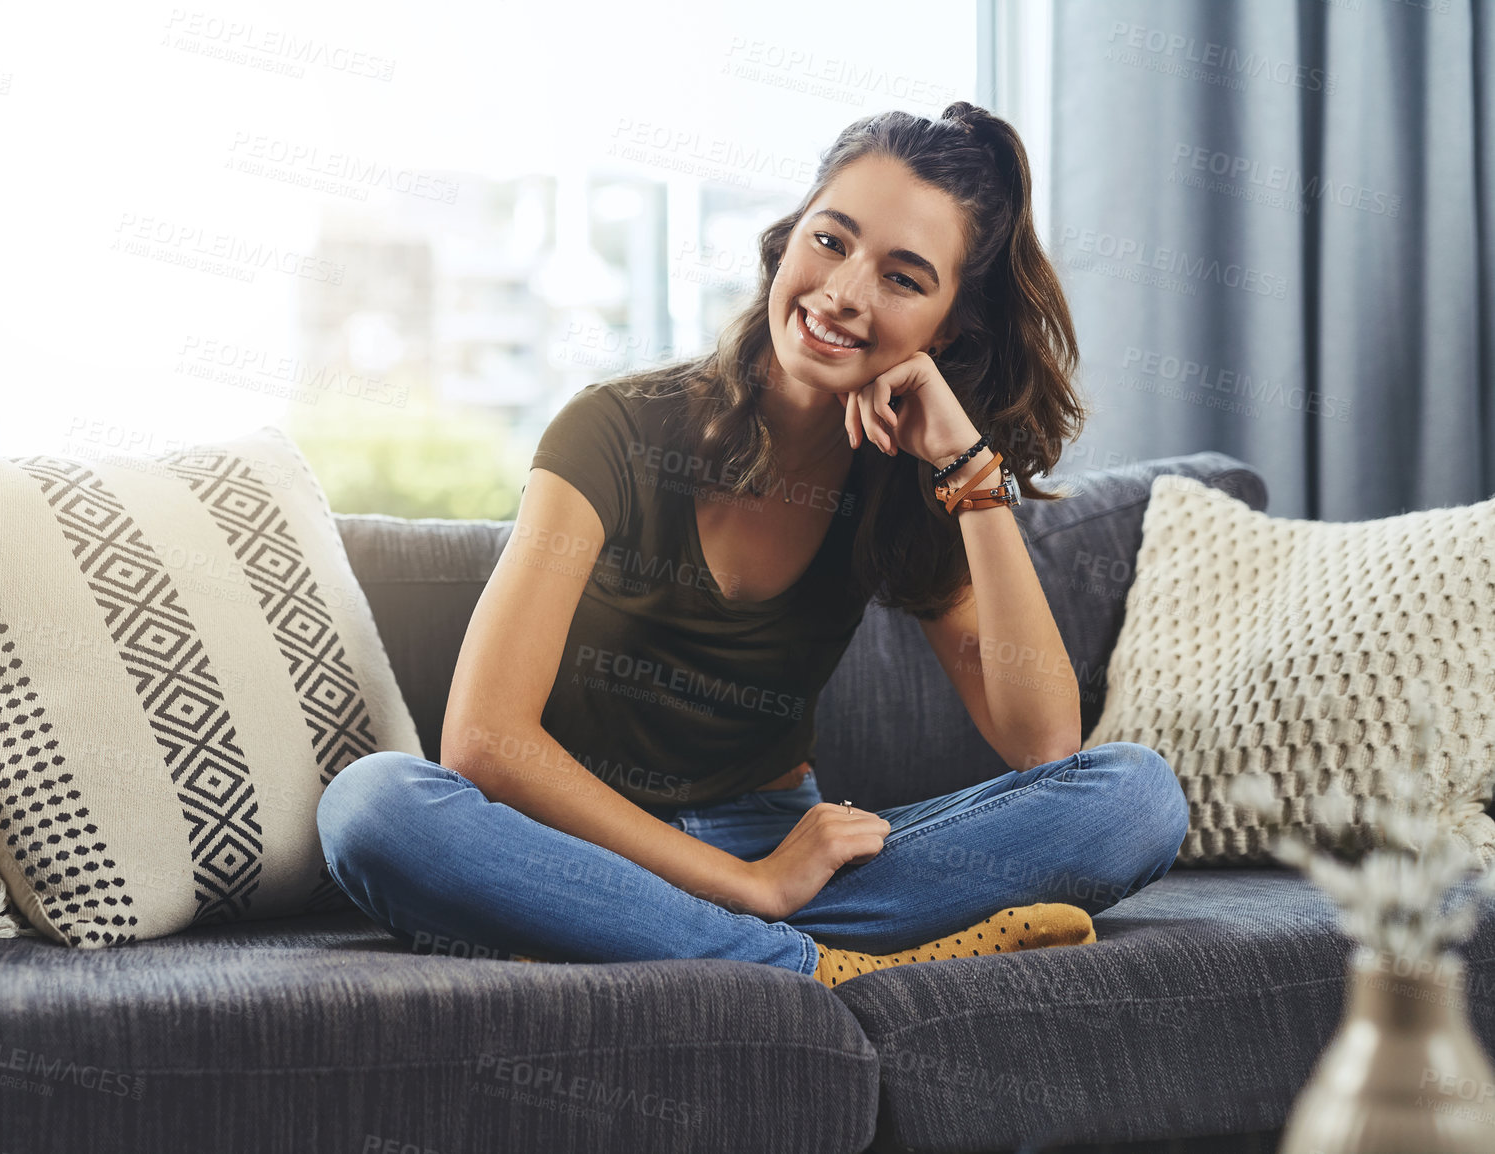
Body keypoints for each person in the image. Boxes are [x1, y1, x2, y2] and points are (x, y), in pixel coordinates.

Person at [317, 102, 1191, 987]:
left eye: (903, 278)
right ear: (786, 240)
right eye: (832, 241)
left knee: (1134, 797)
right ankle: (810, 968)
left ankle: (643, 941)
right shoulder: (614, 431)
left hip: (777, 847)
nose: (844, 293)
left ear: (950, 326)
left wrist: (969, 468)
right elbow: (486, 743)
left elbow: (1045, 747)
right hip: (581, 847)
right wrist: (747, 887)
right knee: (376, 806)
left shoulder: (899, 476)